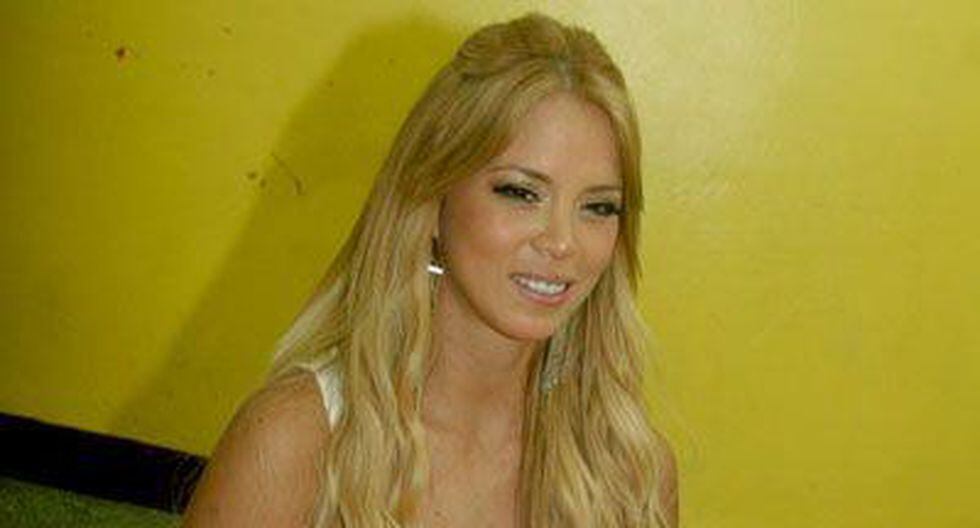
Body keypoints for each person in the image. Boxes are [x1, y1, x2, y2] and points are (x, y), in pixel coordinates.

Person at [182, 12, 677, 528]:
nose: (561, 242)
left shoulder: (633, 475)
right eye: (520, 192)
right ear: (432, 197)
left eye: (598, 207)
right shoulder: (294, 441)